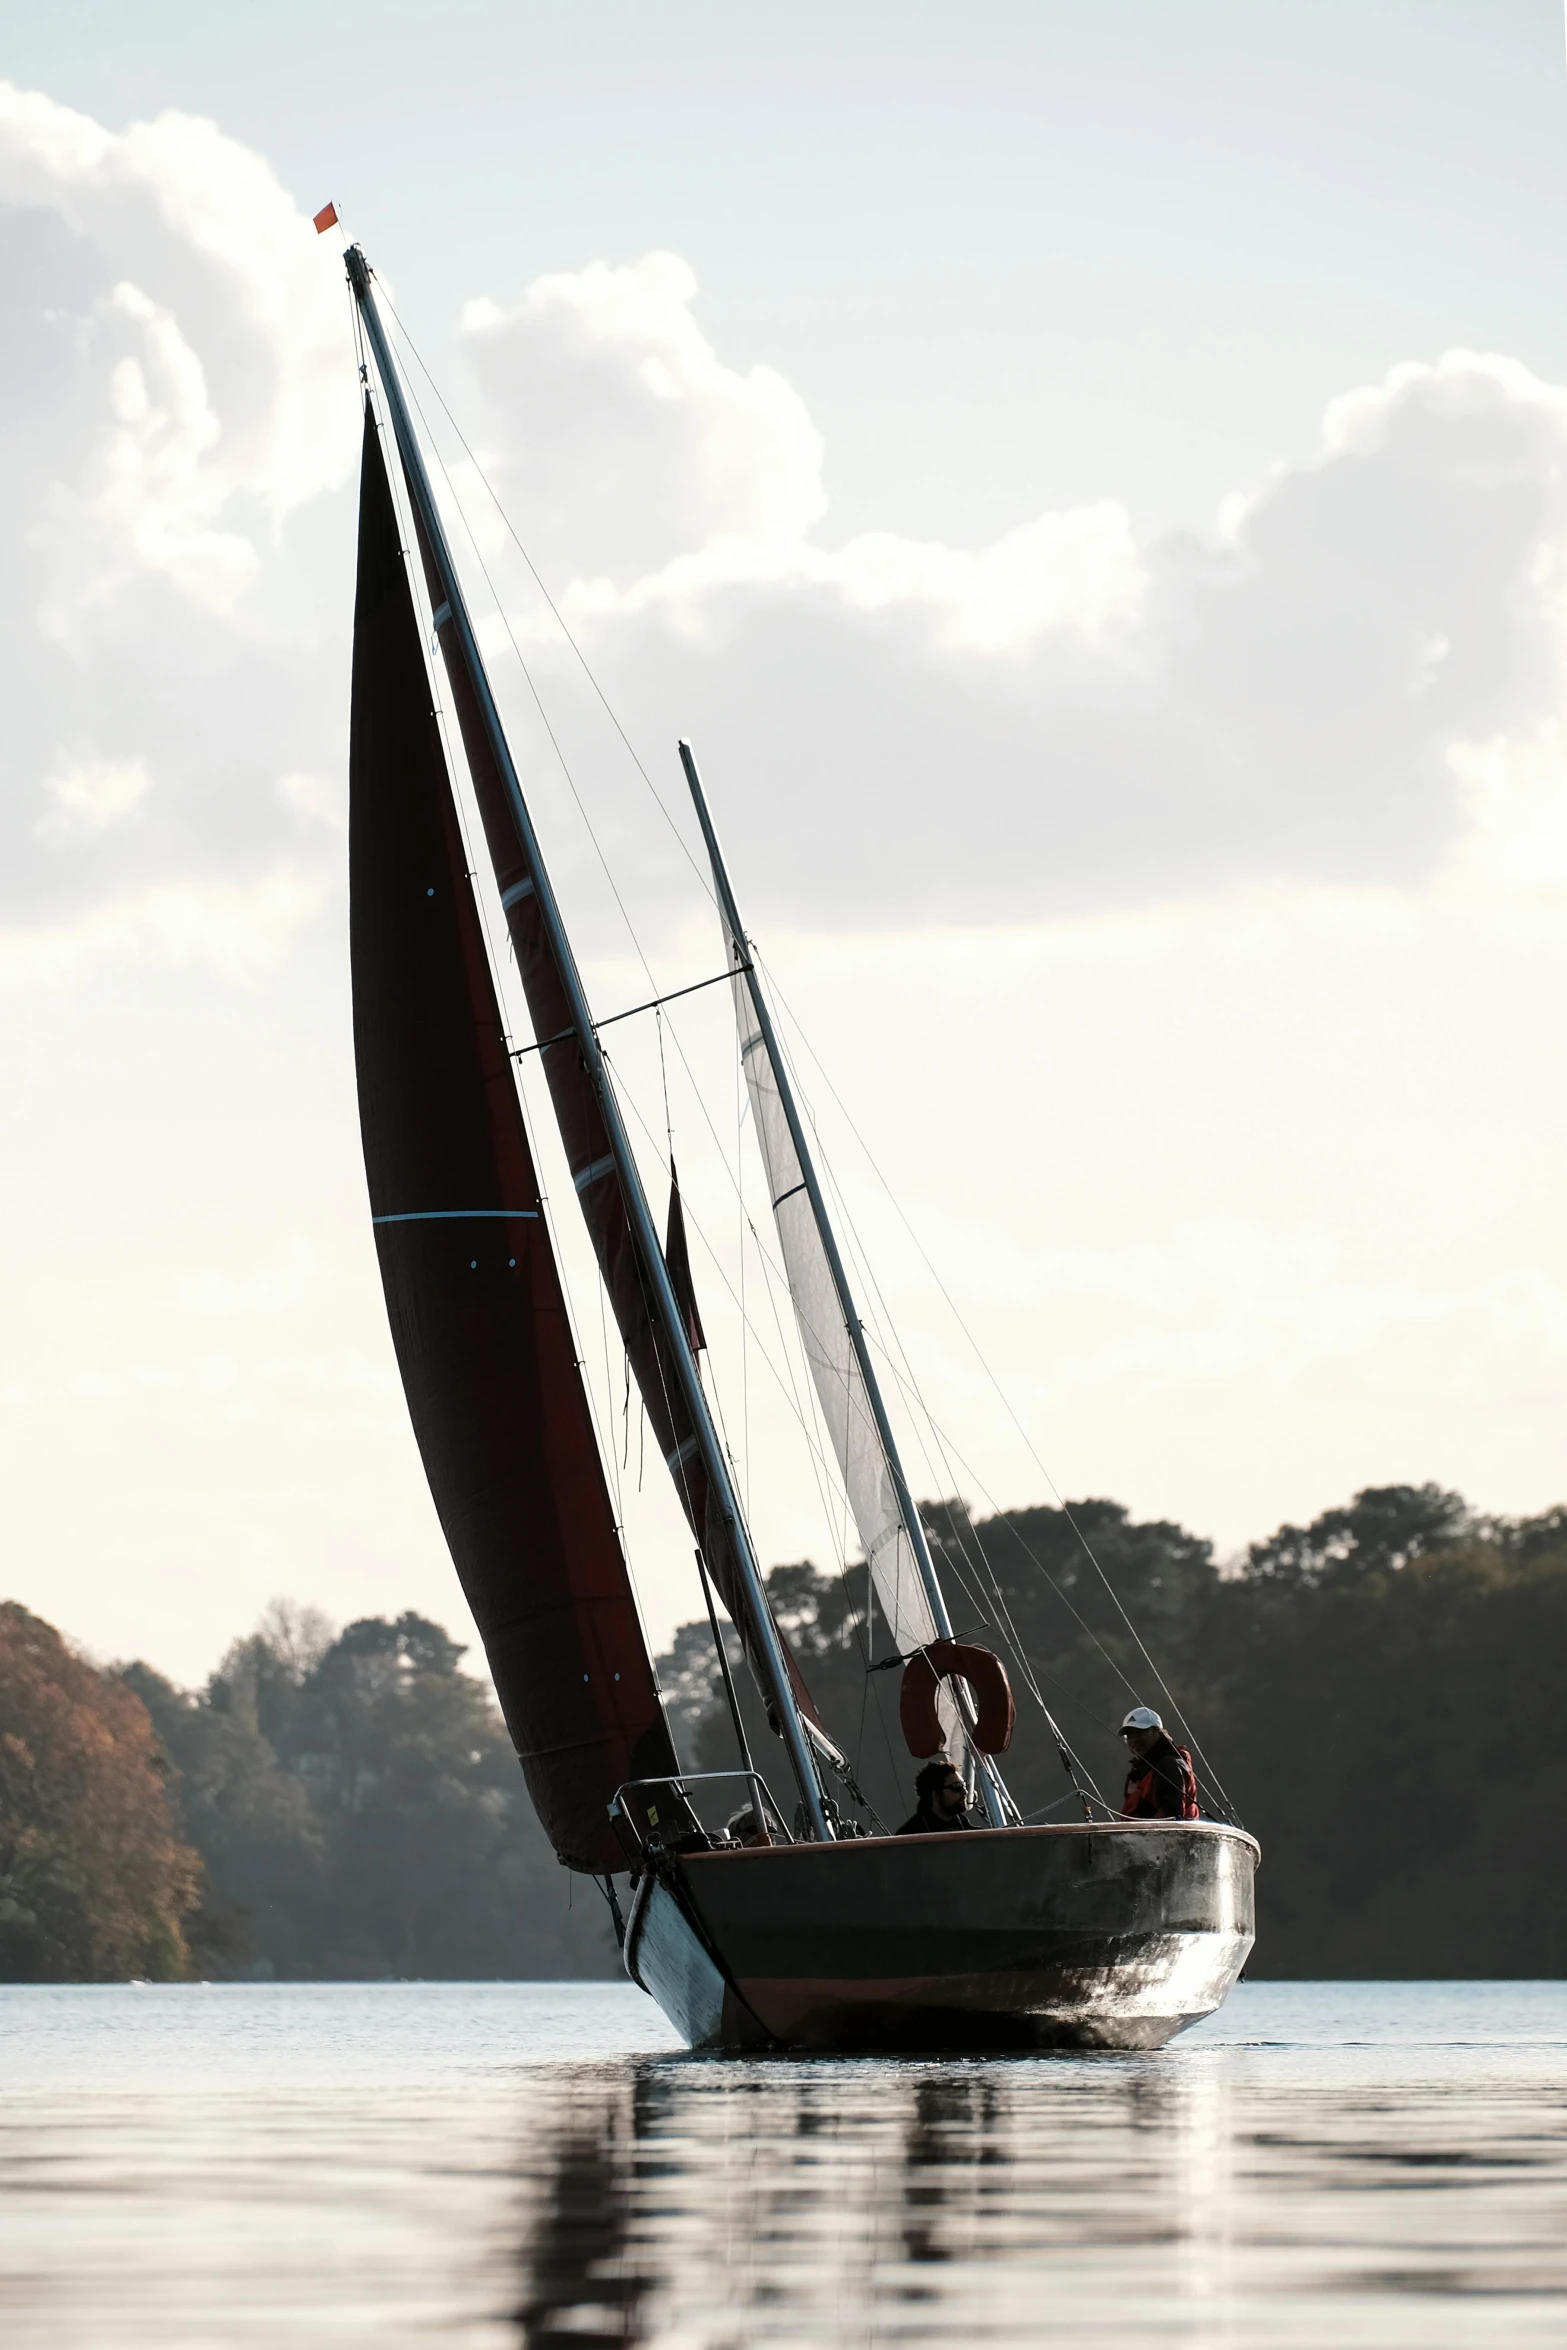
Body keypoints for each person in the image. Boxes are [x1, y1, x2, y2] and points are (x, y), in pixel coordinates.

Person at [1118, 1706, 1199, 1819]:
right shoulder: (1140, 1771)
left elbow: (1172, 1815)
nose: (1134, 1740)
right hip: (1140, 1834)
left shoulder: (1170, 1765)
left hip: (1168, 1835)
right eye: (1129, 1736)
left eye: (1139, 1733)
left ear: (1158, 1732)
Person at [897, 1756, 973, 1835]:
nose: (965, 1792)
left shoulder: (965, 1826)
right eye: (957, 1787)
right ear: (935, 1794)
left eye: (964, 1785)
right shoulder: (909, 1835)